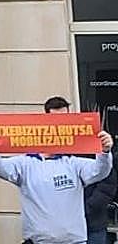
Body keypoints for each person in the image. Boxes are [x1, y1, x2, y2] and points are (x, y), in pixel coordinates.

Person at [0, 99, 114, 244]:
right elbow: (1, 169)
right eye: (56, 120)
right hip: (38, 241)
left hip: (74, 240)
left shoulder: (73, 162)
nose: (60, 125)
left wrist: (105, 152)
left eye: (65, 119)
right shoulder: (26, 163)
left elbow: (100, 171)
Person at [45, 97, 118, 244]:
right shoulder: (44, 148)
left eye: (64, 117)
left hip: (91, 223)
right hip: (58, 227)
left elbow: (108, 180)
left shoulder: (87, 139)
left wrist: (86, 208)